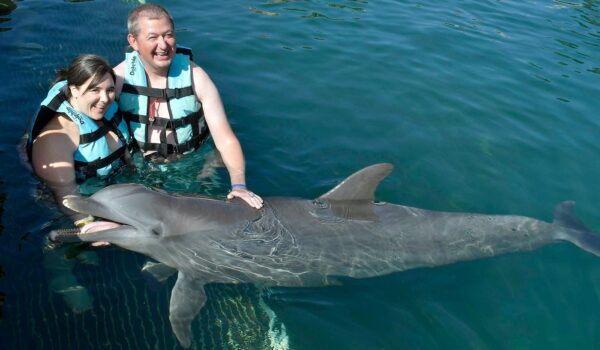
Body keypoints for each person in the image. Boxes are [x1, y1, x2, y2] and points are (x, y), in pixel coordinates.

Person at [114, 3, 263, 209]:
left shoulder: (196, 77)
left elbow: (225, 138)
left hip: (196, 166)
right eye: (152, 37)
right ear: (134, 41)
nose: (163, 45)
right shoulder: (118, 79)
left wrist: (238, 185)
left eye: (168, 35)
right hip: (141, 170)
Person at [26, 54, 133, 226]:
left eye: (110, 90)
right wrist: (87, 226)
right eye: (94, 90)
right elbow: (66, 196)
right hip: (63, 208)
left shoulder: (106, 109)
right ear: (74, 90)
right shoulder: (56, 137)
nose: (105, 99)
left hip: (110, 188)